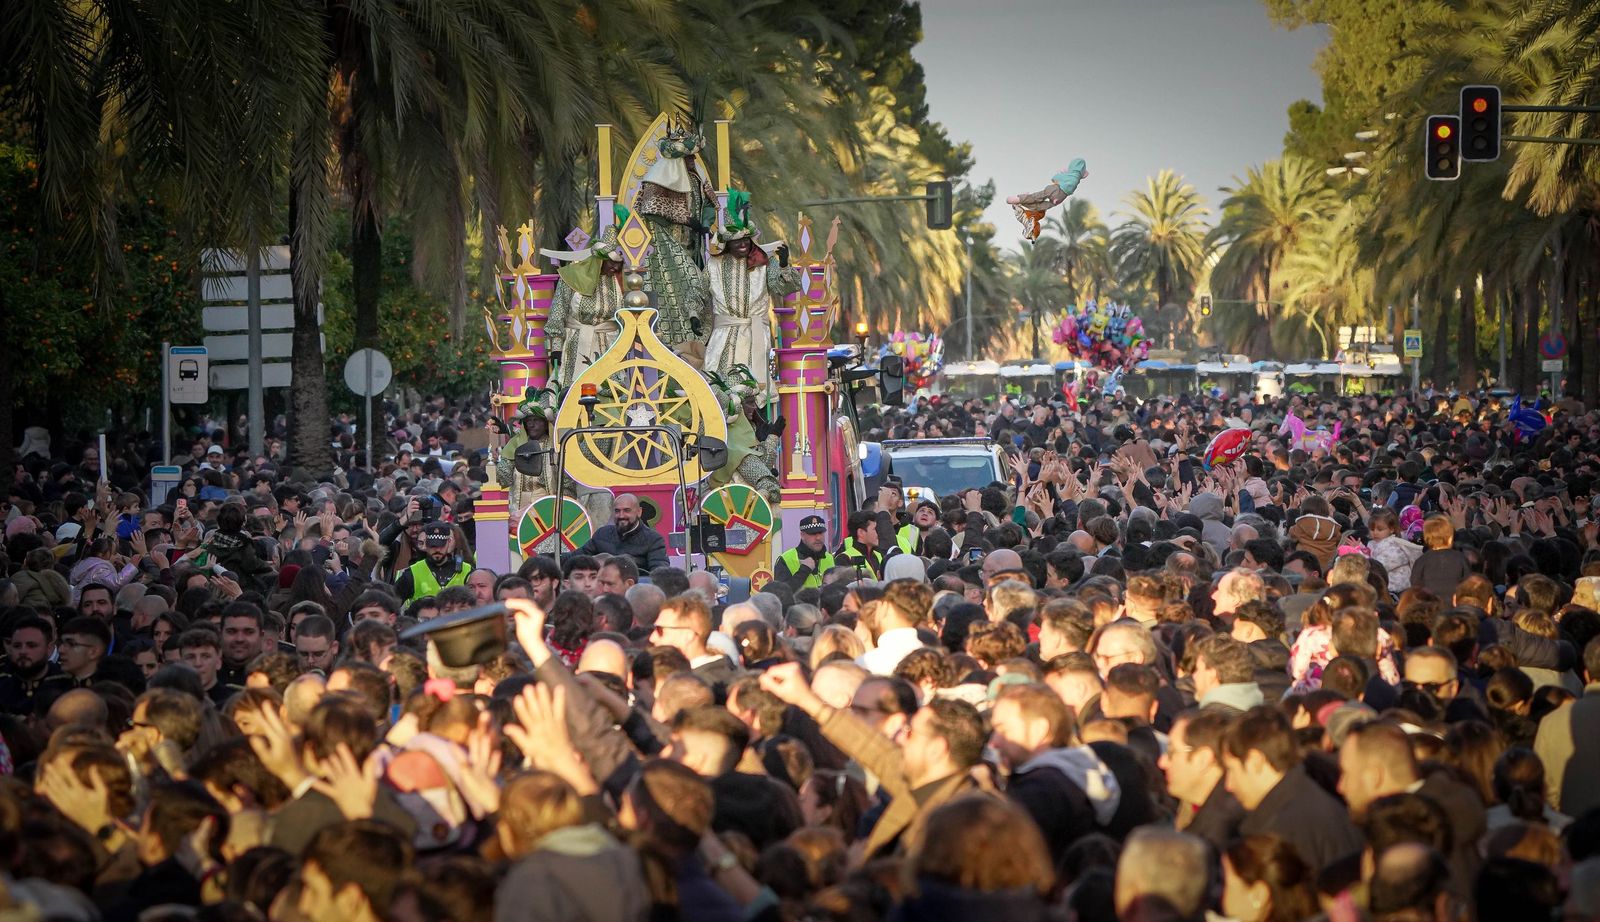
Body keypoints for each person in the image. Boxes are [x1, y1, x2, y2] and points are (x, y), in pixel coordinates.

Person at [1223, 705, 1363, 873]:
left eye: (1232, 769)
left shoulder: (1283, 834)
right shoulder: (1309, 796)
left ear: (1255, 761)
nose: (1229, 785)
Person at [575, 494, 668, 572]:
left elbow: (660, 574)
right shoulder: (602, 534)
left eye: (627, 510)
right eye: (617, 511)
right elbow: (576, 558)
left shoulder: (653, 540)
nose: (621, 515)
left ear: (639, 512)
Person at [394, 523, 471, 603]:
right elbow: (392, 604)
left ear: (449, 542)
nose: (437, 550)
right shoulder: (413, 572)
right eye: (433, 546)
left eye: (441, 545)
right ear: (426, 544)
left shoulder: (467, 570)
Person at [774, 515, 835, 591]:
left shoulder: (829, 558)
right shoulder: (786, 559)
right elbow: (781, 594)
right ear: (802, 535)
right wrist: (804, 570)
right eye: (813, 534)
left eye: (821, 533)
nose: (818, 538)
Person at [835, 510, 884, 581]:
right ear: (860, 532)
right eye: (875, 529)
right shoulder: (844, 558)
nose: (878, 532)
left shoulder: (879, 555)